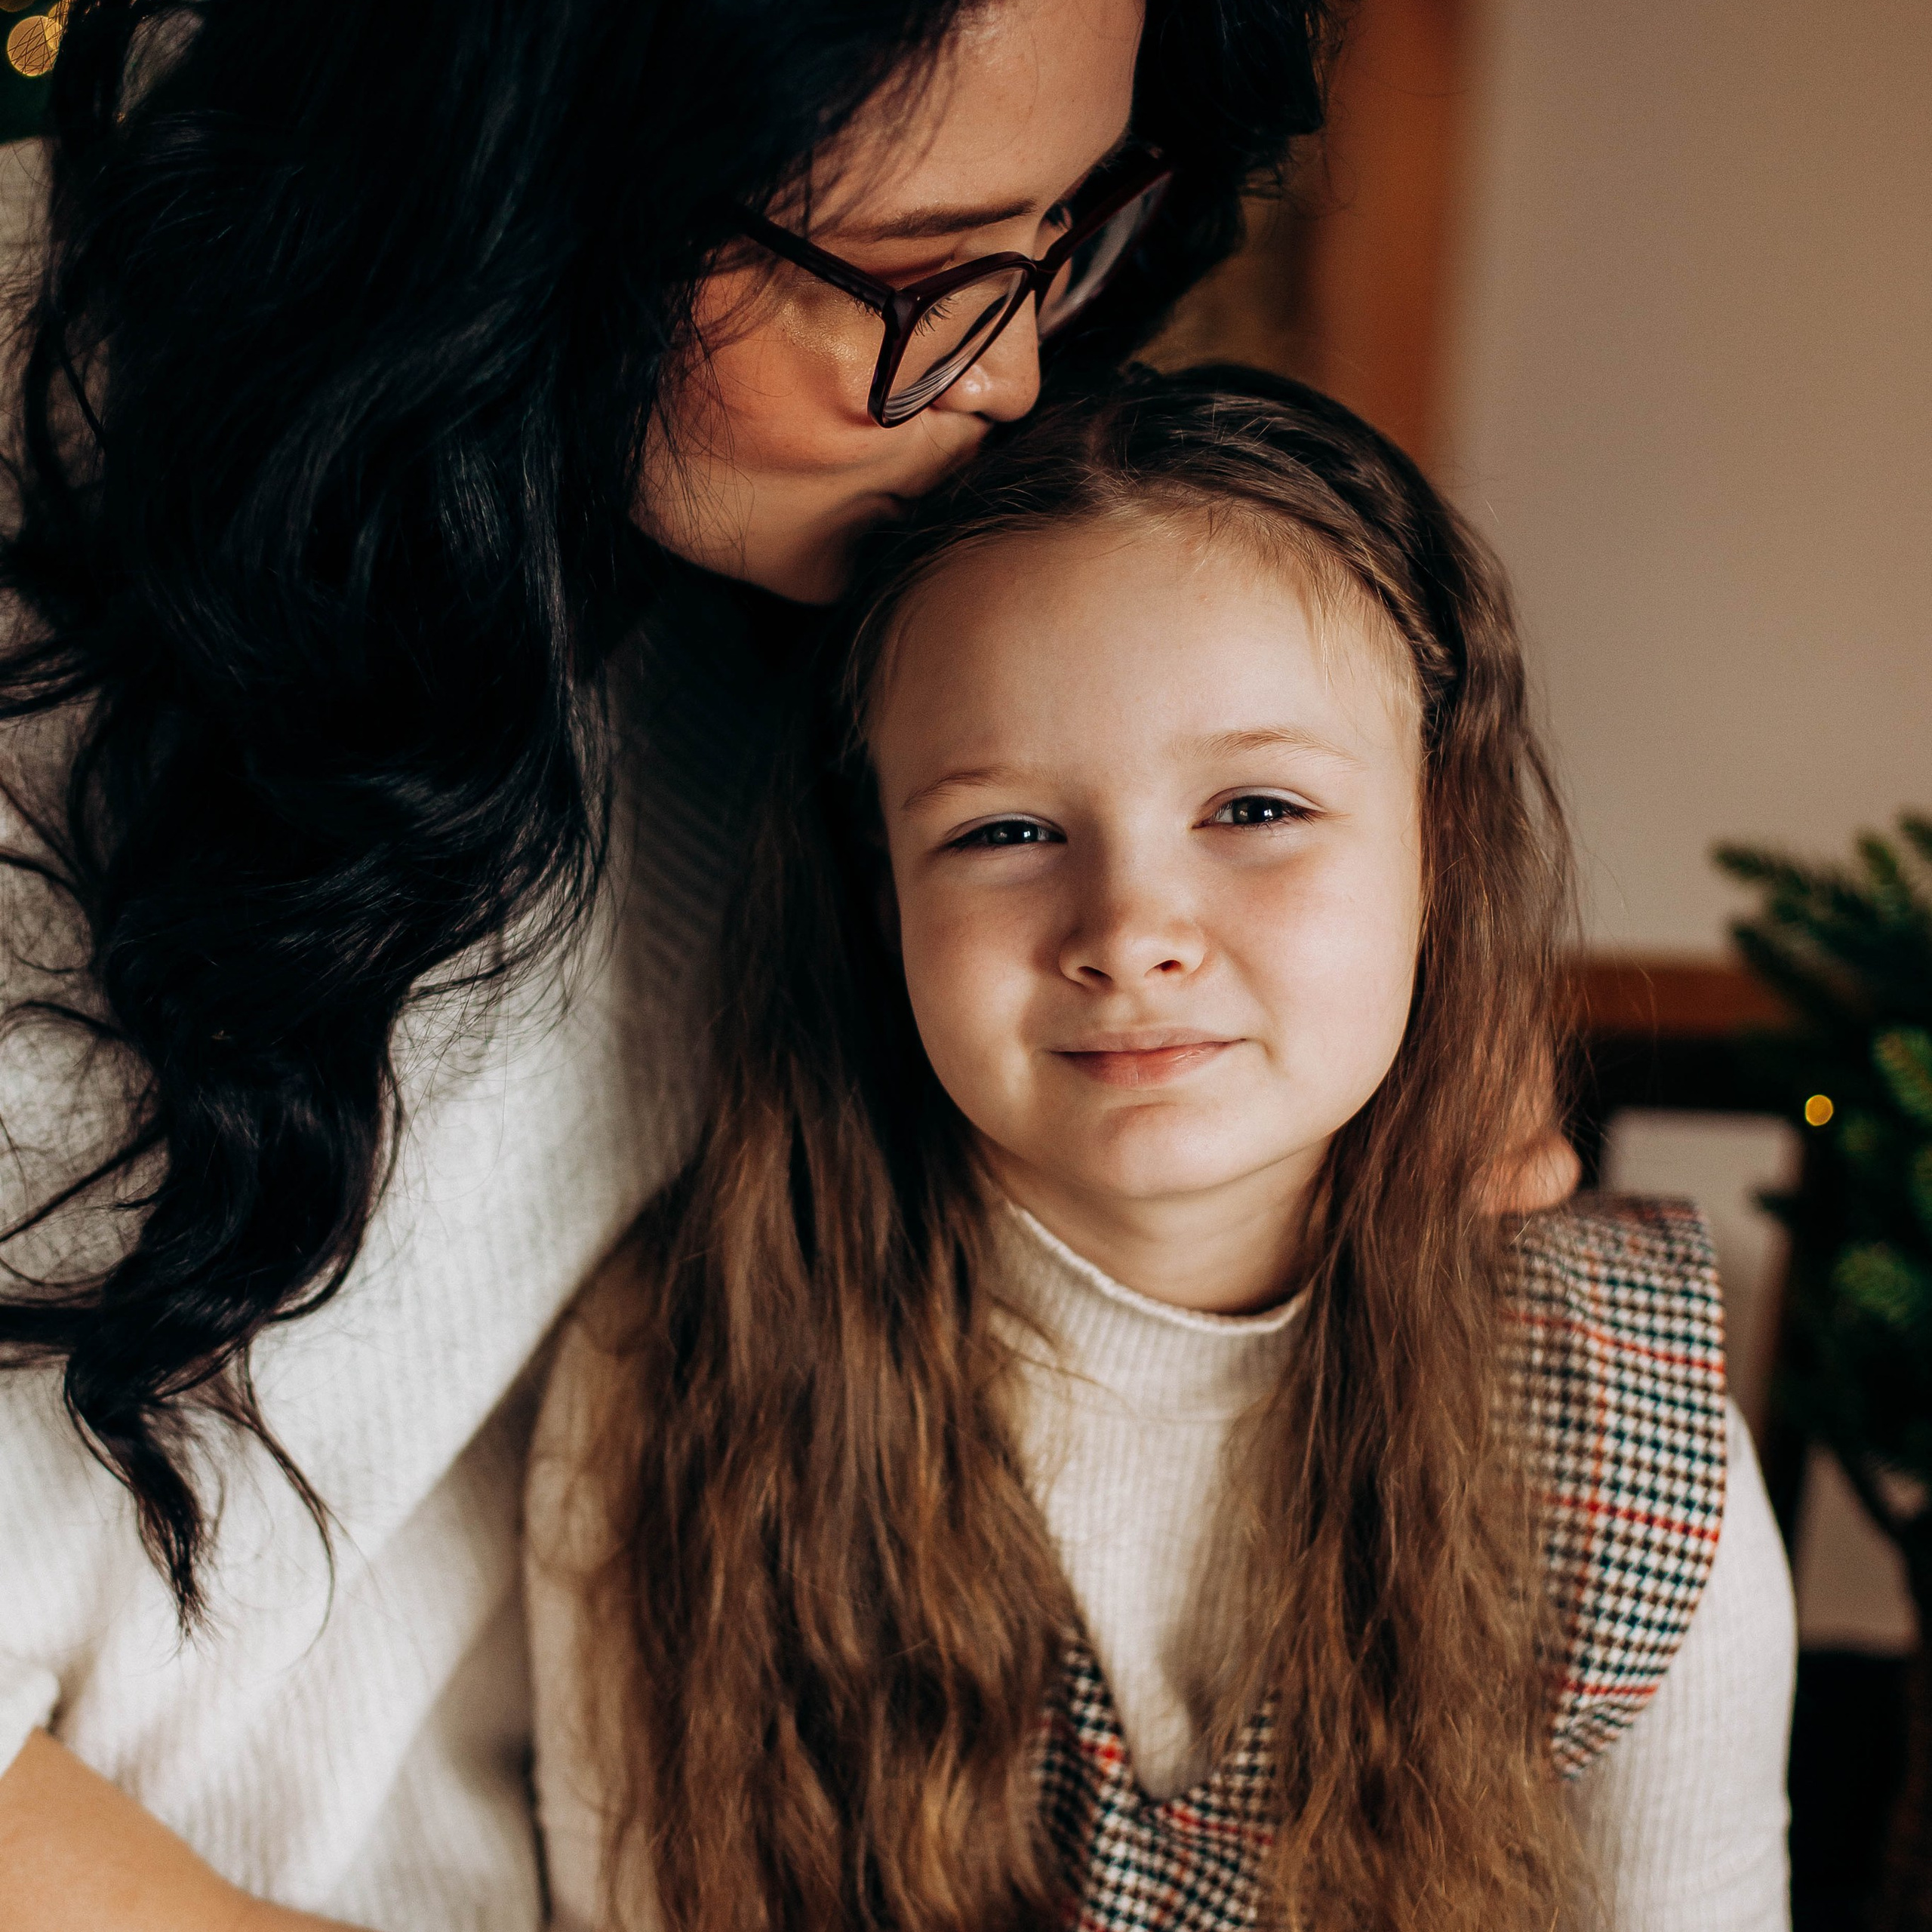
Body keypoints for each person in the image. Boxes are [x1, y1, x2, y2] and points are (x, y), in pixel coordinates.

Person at [0, 4, 1343, 1927]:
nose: (1008, 372)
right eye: (912, 271)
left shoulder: (800, 579)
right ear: (528, 184)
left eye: (1066, 230)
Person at [525, 368, 1797, 1932]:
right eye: (1001, 831)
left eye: (1254, 805)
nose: (1128, 932)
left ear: (1434, 847)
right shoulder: (673, 1370)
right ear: (878, 894)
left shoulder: (1621, 1430)